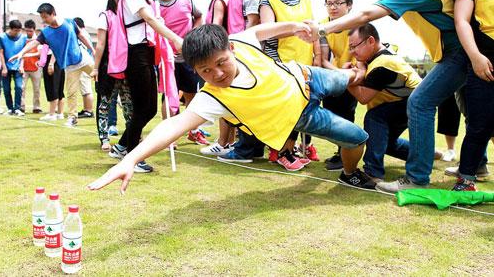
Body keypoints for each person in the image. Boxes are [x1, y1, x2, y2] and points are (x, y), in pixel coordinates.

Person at [87, 22, 375, 192]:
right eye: (205, 71)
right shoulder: (212, 97)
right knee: (356, 137)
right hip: (304, 116)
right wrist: (130, 159)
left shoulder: (240, 41)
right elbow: (173, 125)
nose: (217, 74)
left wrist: (295, 27)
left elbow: (262, 30)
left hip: (308, 76)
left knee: (346, 76)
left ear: (231, 49)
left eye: (221, 63)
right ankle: (349, 173)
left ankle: (359, 71)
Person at [308, 0, 466, 193]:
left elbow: (367, 14)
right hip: (466, 49)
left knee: (417, 104)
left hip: (457, 52)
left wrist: (323, 30)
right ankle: (471, 164)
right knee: (473, 110)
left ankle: (415, 177)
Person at [105, 0, 183, 173]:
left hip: (144, 53)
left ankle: (122, 147)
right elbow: (149, 19)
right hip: (136, 54)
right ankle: (131, 155)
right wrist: (176, 39)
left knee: (147, 107)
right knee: (145, 108)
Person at [260, 0, 322, 166]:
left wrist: (318, 57)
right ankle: (282, 153)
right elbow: (266, 31)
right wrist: (295, 28)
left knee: (301, 108)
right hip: (280, 61)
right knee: (285, 108)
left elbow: (315, 31)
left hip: (305, 62)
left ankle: (291, 151)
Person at [346, 24, 422, 181]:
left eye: (354, 47)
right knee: (384, 143)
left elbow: (363, 97)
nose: (352, 52)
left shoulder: (383, 64)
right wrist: (360, 67)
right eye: (350, 48)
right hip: (410, 102)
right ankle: (425, 152)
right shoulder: (382, 53)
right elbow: (362, 64)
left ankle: (372, 173)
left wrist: (347, 80)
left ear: (371, 41)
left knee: (374, 117)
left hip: (412, 103)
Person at [450, 0, 494, 191]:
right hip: (485, 61)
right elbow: (461, 21)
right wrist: (476, 57)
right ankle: (466, 179)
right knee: (480, 123)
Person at [214, 0, 265, 163]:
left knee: (245, 102)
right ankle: (252, 149)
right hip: (238, 50)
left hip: (247, 51)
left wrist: (241, 51)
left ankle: (244, 151)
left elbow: (252, 20)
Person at [10, 4, 96, 127]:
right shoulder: (46, 32)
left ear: (53, 13)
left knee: (102, 78)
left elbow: (81, 35)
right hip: (70, 66)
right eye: (42, 17)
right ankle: (73, 118)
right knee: (71, 93)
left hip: (84, 59)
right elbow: (35, 42)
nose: (44, 20)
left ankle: (118, 97)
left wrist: (91, 49)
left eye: (45, 17)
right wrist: (21, 53)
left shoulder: (69, 22)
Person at [152, 0, 207, 145]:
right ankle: (168, 137)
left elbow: (198, 16)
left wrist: (191, 38)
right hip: (167, 59)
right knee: (169, 97)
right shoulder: (153, 5)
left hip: (189, 57)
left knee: (192, 95)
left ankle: (194, 130)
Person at [320, 0, 359, 171]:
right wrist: (337, 72)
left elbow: (362, 57)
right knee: (330, 115)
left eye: (338, 3)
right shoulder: (323, 27)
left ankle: (346, 156)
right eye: (329, 4)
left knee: (347, 116)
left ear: (349, 5)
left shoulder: (358, 26)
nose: (333, 7)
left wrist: (347, 73)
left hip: (353, 76)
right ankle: (340, 153)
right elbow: (322, 58)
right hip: (334, 75)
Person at [198, 0, 236, 155]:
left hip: (221, 56)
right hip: (226, 55)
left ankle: (223, 143)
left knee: (223, 98)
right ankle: (228, 142)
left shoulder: (219, 0)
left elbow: (215, 29)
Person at [93, 0, 133, 152]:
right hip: (108, 67)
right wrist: (95, 68)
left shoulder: (130, 15)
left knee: (129, 104)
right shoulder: (106, 16)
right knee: (105, 103)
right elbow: (100, 44)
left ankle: (132, 136)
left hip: (128, 66)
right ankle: (104, 137)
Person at [0, 19, 27, 116]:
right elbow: (1, 53)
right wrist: (4, 67)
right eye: (15, 30)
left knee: (19, 87)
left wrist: (22, 65)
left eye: (19, 30)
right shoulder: (2, 37)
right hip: (6, 67)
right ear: (10, 29)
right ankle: (10, 109)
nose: (17, 32)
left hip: (18, 67)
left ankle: (17, 108)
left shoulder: (23, 37)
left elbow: (23, 53)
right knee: (6, 89)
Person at [73, 17, 95, 119]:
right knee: (85, 88)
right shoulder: (86, 33)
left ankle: (88, 110)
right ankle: (86, 109)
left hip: (85, 64)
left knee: (86, 88)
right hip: (87, 63)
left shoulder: (82, 35)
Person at [20, 19, 42, 114]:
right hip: (24, 68)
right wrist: (20, 66)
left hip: (36, 68)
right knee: (22, 88)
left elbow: (41, 54)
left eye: (31, 31)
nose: (28, 32)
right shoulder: (22, 40)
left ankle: (36, 107)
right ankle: (21, 106)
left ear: (34, 30)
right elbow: (20, 54)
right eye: (27, 30)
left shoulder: (39, 40)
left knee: (37, 89)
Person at [38, 44, 65, 121]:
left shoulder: (51, 36)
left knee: (52, 87)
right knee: (59, 88)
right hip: (57, 62)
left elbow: (56, 50)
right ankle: (60, 113)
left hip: (52, 60)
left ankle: (52, 114)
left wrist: (51, 63)